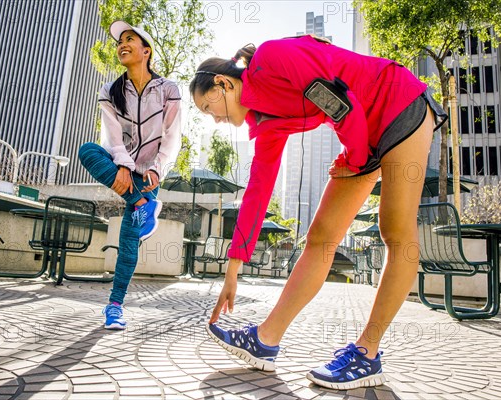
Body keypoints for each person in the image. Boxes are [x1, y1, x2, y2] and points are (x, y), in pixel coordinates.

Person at [189, 35, 446, 389]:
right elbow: (257, 193)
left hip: (398, 103)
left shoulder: (272, 58)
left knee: (395, 232)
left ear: (222, 83)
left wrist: (356, 160)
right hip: (361, 135)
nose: (213, 119)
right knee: (321, 237)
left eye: (208, 108)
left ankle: (367, 354)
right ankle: (265, 341)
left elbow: (340, 102)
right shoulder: (266, 122)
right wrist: (233, 267)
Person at [79, 20, 182, 330]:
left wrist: (156, 169)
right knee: (87, 150)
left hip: (148, 177)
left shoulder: (168, 89)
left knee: (127, 242)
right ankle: (140, 205)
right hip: (124, 172)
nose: (122, 44)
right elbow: (110, 137)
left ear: (145, 51)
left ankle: (114, 306)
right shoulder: (110, 91)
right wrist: (122, 164)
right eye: (119, 41)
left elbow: (172, 136)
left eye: (129, 39)